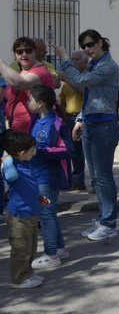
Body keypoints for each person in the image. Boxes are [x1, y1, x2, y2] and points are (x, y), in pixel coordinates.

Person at [54, 30, 119, 241]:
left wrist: (65, 57)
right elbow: (91, 96)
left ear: (100, 42)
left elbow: (80, 81)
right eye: (84, 46)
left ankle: (108, 223)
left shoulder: (108, 66)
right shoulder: (94, 64)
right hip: (91, 125)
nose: (87, 49)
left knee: (103, 176)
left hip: (104, 127)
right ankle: (103, 220)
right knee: (96, 177)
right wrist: (81, 119)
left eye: (90, 44)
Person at [26, 86, 73, 271]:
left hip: (48, 179)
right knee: (49, 213)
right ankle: (60, 249)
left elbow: (67, 150)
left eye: (30, 99)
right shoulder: (37, 121)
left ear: (40, 103)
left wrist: (40, 151)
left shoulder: (56, 123)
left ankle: (51, 255)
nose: (27, 102)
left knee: (46, 214)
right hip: (38, 176)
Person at [3, 130, 43, 289]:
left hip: (31, 213)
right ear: (21, 153)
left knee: (31, 247)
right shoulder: (11, 167)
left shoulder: (26, 163)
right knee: (21, 249)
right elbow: (10, 177)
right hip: (18, 215)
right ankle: (19, 279)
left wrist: (42, 200)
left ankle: (28, 273)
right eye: (32, 149)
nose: (35, 151)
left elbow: (31, 187)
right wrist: (7, 160)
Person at [0, 36, 58, 133]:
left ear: (34, 51)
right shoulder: (23, 72)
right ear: (15, 54)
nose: (24, 54)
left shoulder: (41, 71)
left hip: (35, 129)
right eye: (19, 52)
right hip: (18, 129)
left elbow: (20, 84)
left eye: (28, 50)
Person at [59, 51, 87, 191]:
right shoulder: (67, 83)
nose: (73, 62)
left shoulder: (86, 78)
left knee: (78, 151)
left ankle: (78, 180)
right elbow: (63, 100)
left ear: (85, 62)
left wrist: (67, 79)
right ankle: (69, 179)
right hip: (68, 117)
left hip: (80, 118)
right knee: (69, 149)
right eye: (72, 59)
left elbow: (83, 91)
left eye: (77, 59)